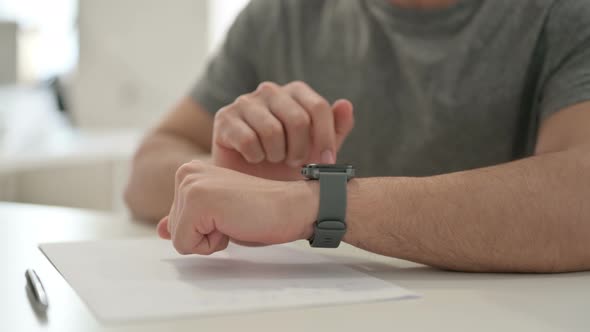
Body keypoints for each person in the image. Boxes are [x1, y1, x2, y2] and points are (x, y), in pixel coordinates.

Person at [125, 0, 590, 273]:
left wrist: (311, 204)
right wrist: (228, 179)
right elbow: (146, 168)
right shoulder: (281, 14)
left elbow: (579, 196)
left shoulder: (564, 14)